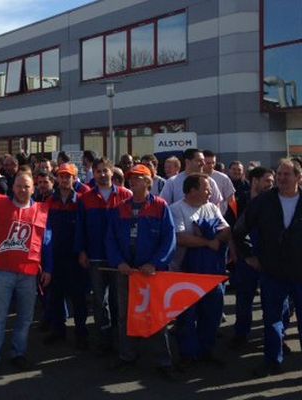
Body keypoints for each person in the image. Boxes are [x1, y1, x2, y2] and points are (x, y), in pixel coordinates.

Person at [106, 164, 178, 380]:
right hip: (127, 273)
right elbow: (110, 239)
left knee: (156, 316)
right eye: (131, 178)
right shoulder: (120, 208)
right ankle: (127, 355)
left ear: (148, 182)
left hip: (151, 274)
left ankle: (163, 361)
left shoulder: (161, 206)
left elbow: (169, 239)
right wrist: (119, 263)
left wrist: (155, 264)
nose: (132, 181)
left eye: (137, 178)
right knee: (125, 315)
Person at [0, 171, 53, 378]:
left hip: (28, 274)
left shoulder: (41, 211)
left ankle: (18, 353)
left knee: (25, 317)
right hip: (2, 271)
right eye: (19, 186)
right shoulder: (0, 205)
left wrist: (48, 268)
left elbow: (47, 243)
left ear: (34, 188)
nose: (22, 190)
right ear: (13, 187)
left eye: (27, 186)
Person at [233, 159, 302, 377]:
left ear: (298, 178)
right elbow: (239, 230)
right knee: (272, 319)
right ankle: (272, 361)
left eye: (286, 175)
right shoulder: (263, 201)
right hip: (272, 272)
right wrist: (249, 256)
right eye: (279, 174)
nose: (281, 178)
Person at [170, 173, 230, 367]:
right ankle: (187, 354)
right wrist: (208, 241)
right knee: (187, 316)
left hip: (211, 272)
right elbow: (180, 238)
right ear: (193, 190)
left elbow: (226, 230)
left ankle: (206, 350)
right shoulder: (176, 209)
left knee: (211, 313)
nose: (210, 192)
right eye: (206, 188)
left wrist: (211, 238)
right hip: (185, 273)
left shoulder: (212, 207)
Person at [75, 157, 131, 353]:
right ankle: (103, 339)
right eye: (98, 171)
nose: (101, 174)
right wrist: (81, 251)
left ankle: (119, 338)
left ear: (112, 172)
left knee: (119, 300)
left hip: (120, 259)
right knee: (99, 301)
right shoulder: (86, 198)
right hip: (95, 256)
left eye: (104, 171)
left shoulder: (126, 196)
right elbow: (80, 227)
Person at [226, 167, 274, 349]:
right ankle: (240, 334)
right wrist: (239, 254)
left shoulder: (275, 201)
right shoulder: (239, 201)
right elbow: (231, 229)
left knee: (272, 301)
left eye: (272, 181)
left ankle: (273, 337)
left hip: (270, 260)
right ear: (255, 181)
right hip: (245, 259)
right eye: (267, 181)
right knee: (243, 299)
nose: (271, 184)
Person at [44, 163, 88, 349]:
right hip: (55, 256)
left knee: (79, 298)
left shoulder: (81, 202)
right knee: (55, 296)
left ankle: (81, 333)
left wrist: (82, 252)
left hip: (75, 257)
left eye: (67, 176)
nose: (64, 179)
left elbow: (85, 230)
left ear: (74, 178)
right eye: (61, 176)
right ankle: (58, 331)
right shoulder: (49, 202)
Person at [202, 150, 235, 214]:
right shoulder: (195, 177)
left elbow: (231, 198)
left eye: (213, 163)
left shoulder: (223, 178)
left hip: (220, 215)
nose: (211, 165)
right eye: (208, 163)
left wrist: (224, 209)